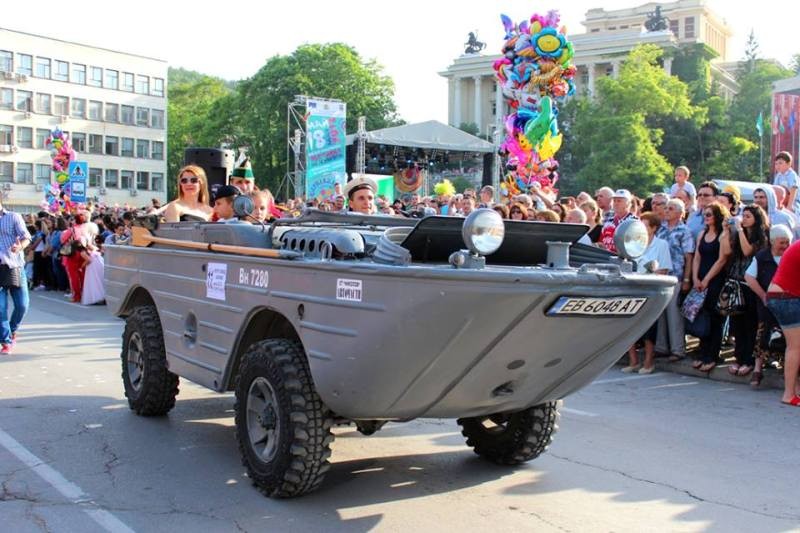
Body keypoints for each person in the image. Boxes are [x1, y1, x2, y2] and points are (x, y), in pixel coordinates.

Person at [622, 212, 671, 374]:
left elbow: (664, 269)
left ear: (654, 228)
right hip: (633, 288)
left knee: (649, 328)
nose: (641, 229)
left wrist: (651, 276)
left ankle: (649, 362)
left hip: (651, 290)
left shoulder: (662, 244)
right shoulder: (634, 243)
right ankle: (633, 361)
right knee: (629, 325)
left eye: (645, 225)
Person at [744, 224, 792, 388]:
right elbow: (749, 277)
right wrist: (763, 296)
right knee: (763, 334)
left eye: (787, 242)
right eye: (782, 242)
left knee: (788, 337)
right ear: (772, 241)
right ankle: (758, 370)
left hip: (789, 304)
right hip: (768, 304)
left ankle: (787, 370)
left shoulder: (791, 255)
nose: (785, 246)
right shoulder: (762, 257)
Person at [725, 205, 770, 376]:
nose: (744, 219)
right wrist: (726, 231)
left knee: (750, 323)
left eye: (748, 216)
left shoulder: (761, 237)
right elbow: (727, 252)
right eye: (743, 215)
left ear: (757, 219)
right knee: (737, 323)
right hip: (736, 282)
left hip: (751, 285)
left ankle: (749, 360)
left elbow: (747, 251)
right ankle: (739, 358)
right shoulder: (739, 234)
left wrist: (739, 230)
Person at [690, 202, 731, 373]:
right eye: (704, 214)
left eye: (709, 214)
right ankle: (703, 351)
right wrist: (695, 277)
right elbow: (697, 257)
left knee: (715, 319)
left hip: (716, 280)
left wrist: (707, 279)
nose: (706, 217)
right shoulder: (702, 233)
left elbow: (722, 259)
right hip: (700, 279)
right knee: (702, 316)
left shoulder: (722, 235)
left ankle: (712, 355)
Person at [655, 199, 695, 361]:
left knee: (674, 315)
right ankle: (661, 347)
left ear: (680, 213)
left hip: (676, 276)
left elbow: (689, 256)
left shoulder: (684, 231)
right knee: (660, 314)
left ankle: (678, 349)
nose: (666, 211)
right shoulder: (661, 229)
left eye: (670, 208)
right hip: (661, 276)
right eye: (666, 208)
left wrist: (686, 279)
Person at [765, 238, 800, 406]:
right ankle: (789, 394)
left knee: (795, 346)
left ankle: (795, 389)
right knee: (795, 347)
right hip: (786, 297)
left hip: (781, 295)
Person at [0, 199, 31, 354]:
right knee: (1, 308)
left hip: (14, 266)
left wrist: (20, 247)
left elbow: (26, 237)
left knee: (22, 305)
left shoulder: (13, 216)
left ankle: (12, 330)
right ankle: (5, 341)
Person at [79, 238, 105, 305]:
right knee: (99, 280)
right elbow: (101, 252)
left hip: (93, 267)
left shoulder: (83, 251)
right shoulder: (91, 247)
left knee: (94, 282)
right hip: (99, 264)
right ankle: (102, 297)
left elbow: (88, 260)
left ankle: (97, 298)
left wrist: (81, 266)